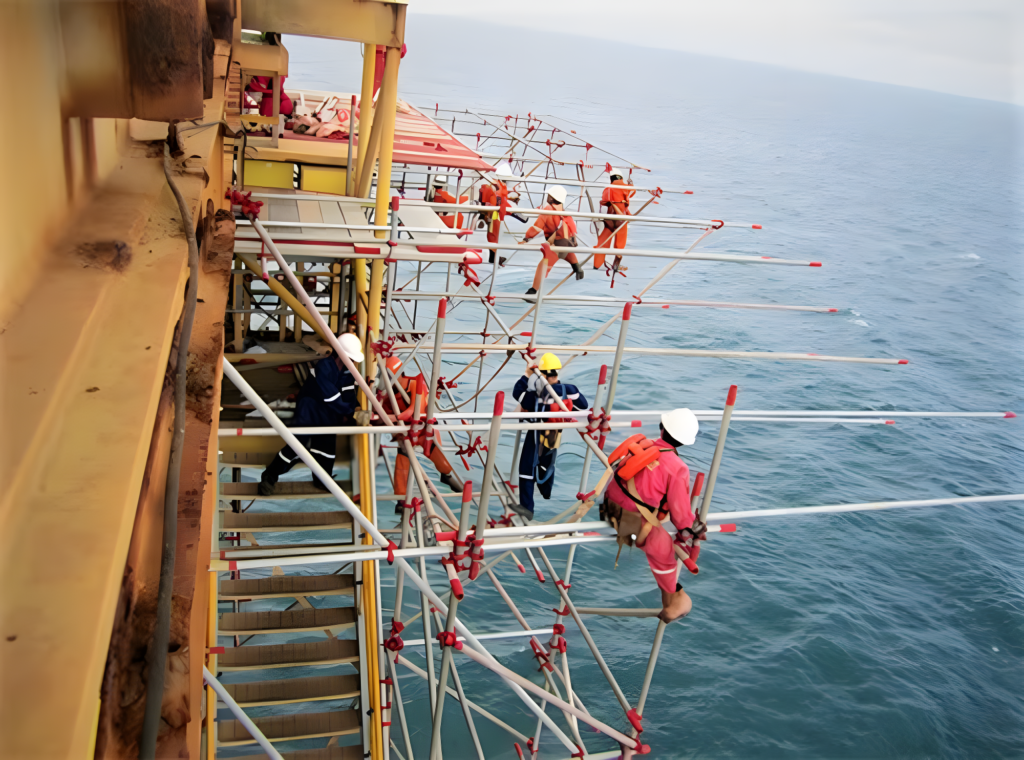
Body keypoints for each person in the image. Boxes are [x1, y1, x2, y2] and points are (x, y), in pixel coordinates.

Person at [601, 409, 700, 623]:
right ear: (684, 443)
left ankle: (674, 598)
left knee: (657, 536)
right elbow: (681, 516)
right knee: (663, 548)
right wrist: (690, 531)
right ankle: (671, 602)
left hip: (608, 510)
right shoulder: (678, 468)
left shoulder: (642, 447)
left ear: (661, 428)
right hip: (629, 525)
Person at [258, 333, 363, 495]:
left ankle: (322, 480)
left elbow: (348, 393)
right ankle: (269, 477)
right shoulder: (324, 366)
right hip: (309, 409)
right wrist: (351, 412)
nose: (354, 362)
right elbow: (331, 396)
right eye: (351, 358)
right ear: (342, 355)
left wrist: (356, 407)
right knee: (297, 446)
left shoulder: (348, 372)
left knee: (326, 448)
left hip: (328, 412)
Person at [510, 353, 588, 520]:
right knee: (547, 461)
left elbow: (518, 393)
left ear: (542, 375)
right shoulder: (570, 390)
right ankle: (546, 493)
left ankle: (527, 508)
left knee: (526, 468)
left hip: (537, 432)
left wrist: (527, 375)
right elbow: (583, 406)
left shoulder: (537, 393)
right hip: (555, 433)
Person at [382, 357, 462, 506]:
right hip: (405, 434)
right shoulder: (388, 397)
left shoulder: (415, 385)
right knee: (402, 464)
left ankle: (447, 475)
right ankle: (401, 500)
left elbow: (416, 409)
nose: (385, 380)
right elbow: (382, 416)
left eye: (388, 376)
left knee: (440, 460)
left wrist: (398, 416)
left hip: (423, 433)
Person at [520, 185, 584, 296]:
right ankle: (577, 267)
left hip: (556, 245)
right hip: (567, 245)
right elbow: (572, 232)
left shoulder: (548, 210)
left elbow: (537, 227)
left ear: (551, 198)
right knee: (569, 255)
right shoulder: (565, 213)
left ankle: (533, 291)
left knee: (543, 266)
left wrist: (526, 239)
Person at [594, 168, 634, 270]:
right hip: (621, 220)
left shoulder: (608, 189)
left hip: (610, 219)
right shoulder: (625, 187)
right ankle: (616, 265)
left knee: (602, 242)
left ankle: (596, 265)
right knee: (620, 244)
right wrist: (631, 184)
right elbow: (631, 191)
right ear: (621, 178)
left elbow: (604, 201)